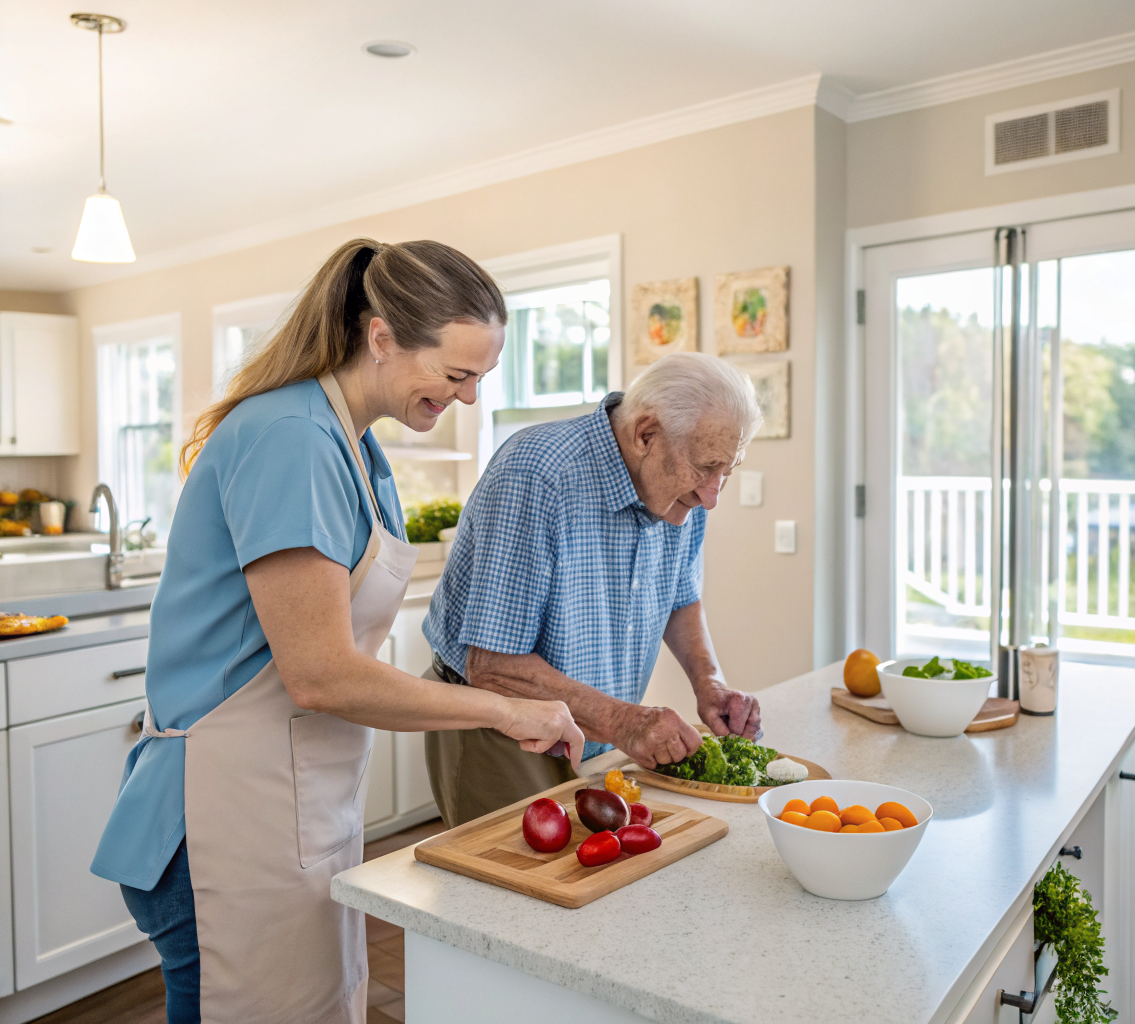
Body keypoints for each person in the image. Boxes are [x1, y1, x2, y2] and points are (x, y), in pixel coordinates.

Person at [90, 238, 584, 1024]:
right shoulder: (289, 438)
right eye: (455, 376)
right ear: (381, 336)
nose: (466, 401)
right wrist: (505, 708)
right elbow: (321, 673)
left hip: (284, 801)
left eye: (480, 381)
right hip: (221, 818)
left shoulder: (353, 446)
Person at [423, 351, 763, 826]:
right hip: (501, 727)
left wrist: (709, 684)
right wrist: (625, 721)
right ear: (646, 434)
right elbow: (494, 667)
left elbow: (679, 599)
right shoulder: (539, 474)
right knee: (516, 891)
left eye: (729, 470)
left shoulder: (684, 496)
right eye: (706, 468)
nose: (714, 495)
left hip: (597, 724)